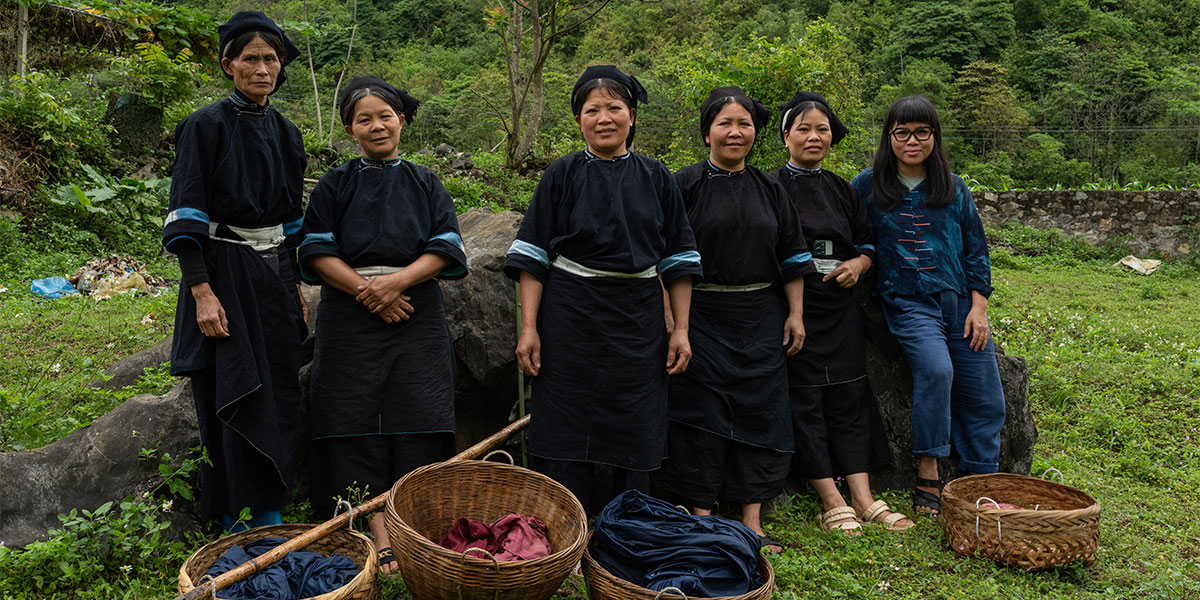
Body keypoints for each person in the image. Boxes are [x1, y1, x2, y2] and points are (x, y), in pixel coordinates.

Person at [504, 65, 702, 513]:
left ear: (632, 115)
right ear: (579, 120)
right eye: (593, 110)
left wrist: (681, 329)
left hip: (638, 318)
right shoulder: (561, 174)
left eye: (615, 108)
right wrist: (529, 328)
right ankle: (567, 522)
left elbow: (678, 261)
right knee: (565, 416)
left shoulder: (657, 177)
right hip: (570, 315)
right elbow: (533, 258)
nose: (604, 118)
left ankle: (629, 521)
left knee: (636, 418)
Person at [299, 76, 467, 573]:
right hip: (349, 313)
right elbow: (315, 250)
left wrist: (396, 284)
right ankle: (375, 527)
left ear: (401, 120)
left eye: (385, 115)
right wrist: (369, 293)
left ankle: (410, 524)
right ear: (350, 130)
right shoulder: (335, 184)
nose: (377, 126)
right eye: (364, 119)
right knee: (349, 413)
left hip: (415, 311)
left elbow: (447, 247)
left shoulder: (424, 181)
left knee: (417, 407)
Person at [162, 11, 308, 532]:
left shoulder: (288, 133)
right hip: (224, 273)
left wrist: (295, 290)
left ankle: (271, 510)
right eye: (251, 59)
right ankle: (233, 518)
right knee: (232, 387)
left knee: (279, 389)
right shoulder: (205, 125)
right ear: (229, 64)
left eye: (272, 59)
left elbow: (293, 220)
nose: (263, 68)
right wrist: (202, 291)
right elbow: (187, 211)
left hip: (273, 277)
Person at [659, 87, 814, 552]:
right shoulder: (680, 185)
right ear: (707, 131)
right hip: (699, 315)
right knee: (698, 415)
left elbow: (791, 255)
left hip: (760, 317)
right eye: (725, 123)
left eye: (744, 123)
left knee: (762, 414)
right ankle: (702, 515)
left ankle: (751, 521)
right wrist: (671, 318)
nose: (735, 132)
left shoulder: (771, 189)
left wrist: (796, 314)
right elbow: (661, 257)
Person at [851, 95, 1006, 516]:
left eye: (922, 132)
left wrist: (979, 308)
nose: (912, 140)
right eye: (902, 132)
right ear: (889, 137)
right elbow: (852, 235)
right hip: (907, 301)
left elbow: (976, 251)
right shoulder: (867, 185)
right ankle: (929, 468)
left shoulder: (954, 189)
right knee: (937, 371)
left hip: (958, 302)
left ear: (935, 137)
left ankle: (979, 479)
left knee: (986, 395)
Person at [772, 91, 912, 533]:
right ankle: (830, 497)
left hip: (840, 310)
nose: (814, 137)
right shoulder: (769, 186)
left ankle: (863, 496)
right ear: (785, 136)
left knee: (849, 399)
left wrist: (858, 263)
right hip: (791, 308)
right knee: (805, 401)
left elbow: (869, 243)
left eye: (823, 129)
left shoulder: (843, 189)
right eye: (804, 129)